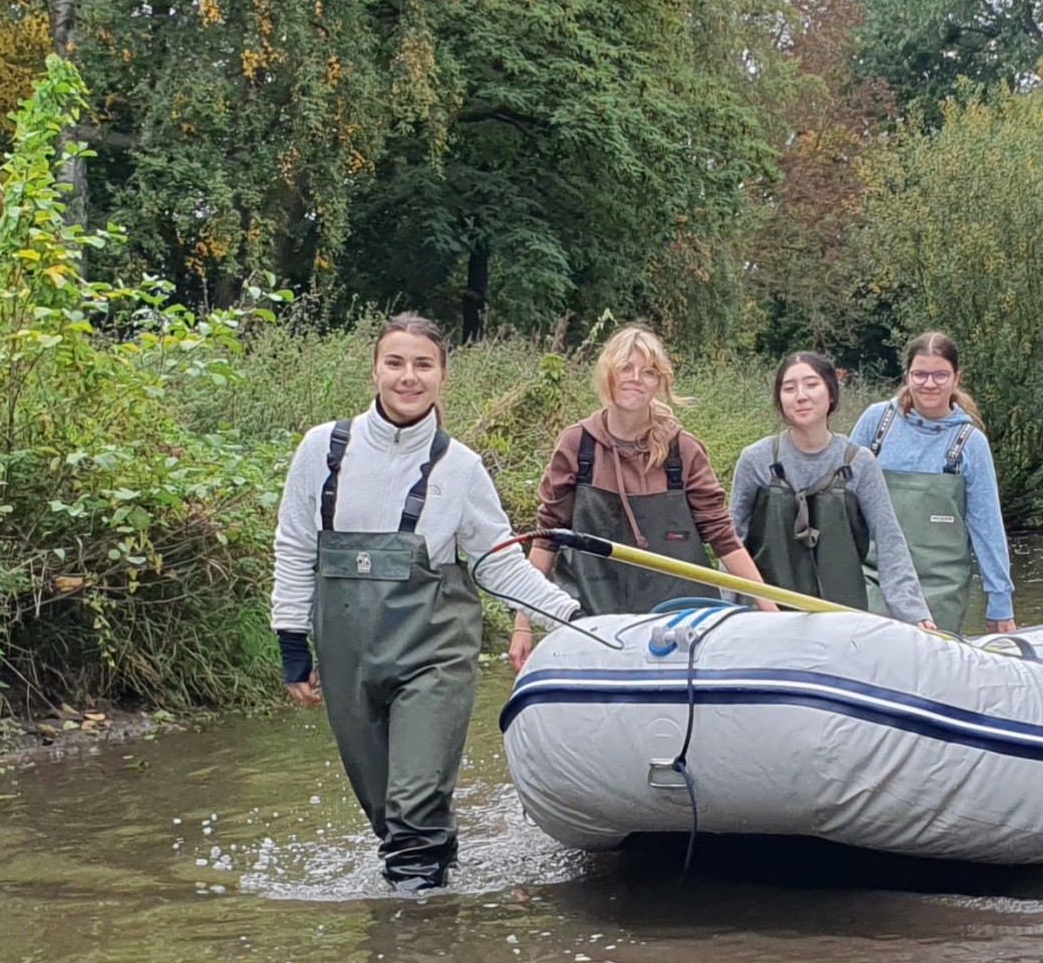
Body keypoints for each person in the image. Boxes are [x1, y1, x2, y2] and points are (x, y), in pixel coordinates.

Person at [270, 313, 582, 894]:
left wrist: (574, 618)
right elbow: (294, 545)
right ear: (375, 370)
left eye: (423, 365)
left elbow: (497, 563)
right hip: (347, 656)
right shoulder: (322, 450)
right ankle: (437, 900)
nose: (408, 377)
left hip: (433, 655)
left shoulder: (460, 467)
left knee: (413, 803)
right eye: (396, 363)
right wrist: (292, 640)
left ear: (442, 376)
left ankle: (411, 947)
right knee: (387, 814)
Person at [511, 326, 772, 668]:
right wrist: (521, 624)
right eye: (626, 368)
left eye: (648, 372)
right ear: (608, 374)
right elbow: (547, 540)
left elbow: (725, 540)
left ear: (659, 384)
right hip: (592, 626)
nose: (636, 379)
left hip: (681, 630)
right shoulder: (577, 445)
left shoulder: (684, 450)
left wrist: (770, 612)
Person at [729, 351, 937, 627]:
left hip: (843, 622)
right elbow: (731, 541)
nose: (801, 395)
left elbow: (890, 543)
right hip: (765, 622)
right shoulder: (755, 460)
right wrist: (726, 611)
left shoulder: (860, 463)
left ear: (831, 394)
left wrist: (915, 615)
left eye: (812, 384)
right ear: (779, 400)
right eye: (789, 388)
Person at [847, 332, 1016, 635]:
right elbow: (840, 497)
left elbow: (987, 526)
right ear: (907, 376)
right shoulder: (876, 423)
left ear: (956, 378)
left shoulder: (971, 443)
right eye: (920, 374)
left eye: (940, 375)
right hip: (874, 576)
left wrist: (1000, 601)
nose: (929, 383)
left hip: (941, 587)